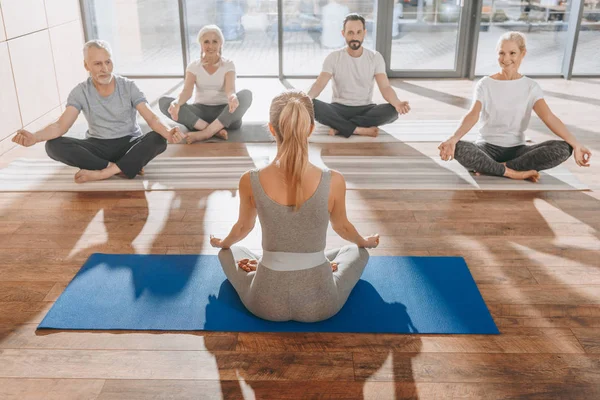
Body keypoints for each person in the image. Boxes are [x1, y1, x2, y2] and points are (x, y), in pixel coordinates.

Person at [210, 90, 380, 322]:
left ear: (271, 128)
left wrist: (223, 243)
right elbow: (343, 228)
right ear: (310, 128)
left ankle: (264, 261)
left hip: (264, 303)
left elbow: (242, 228)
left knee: (229, 252)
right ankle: (321, 262)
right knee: (355, 251)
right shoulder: (334, 180)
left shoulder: (249, 179)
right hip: (321, 304)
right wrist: (365, 242)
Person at [11, 40, 185, 183]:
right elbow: (60, 126)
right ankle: (121, 167)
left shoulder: (128, 86)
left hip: (129, 142)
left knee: (158, 138)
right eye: (98, 64)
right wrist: (35, 137)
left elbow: (152, 118)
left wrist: (169, 132)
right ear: (86, 65)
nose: (105, 69)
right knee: (53, 145)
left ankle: (104, 172)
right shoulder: (80, 91)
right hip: (98, 146)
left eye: (108, 62)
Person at [438, 32, 591, 181]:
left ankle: (497, 168)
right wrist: (453, 139)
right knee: (459, 148)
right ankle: (514, 173)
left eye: (512, 53)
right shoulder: (485, 84)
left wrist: (576, 144)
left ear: (523, 54)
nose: (506, 59)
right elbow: (473, 114)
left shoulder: (531, 87)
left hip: (518, 151)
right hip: (486, 148)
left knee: (563, 149)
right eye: (501, 53)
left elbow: (549, 117)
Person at [307, 13, 410, 138]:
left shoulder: (375, 57)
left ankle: (342, 127)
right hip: (339, 109)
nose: (354, 36)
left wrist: (397, 103)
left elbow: (385, 87)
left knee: (392, 111)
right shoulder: (333, 57)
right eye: (350, 32)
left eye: (358, 32)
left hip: (365, 109)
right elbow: (319, 84)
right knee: (311, 105)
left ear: (364, 33)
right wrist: (306, 99)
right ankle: (358, 129)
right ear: (343, 33)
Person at [159, 25, 252, 143]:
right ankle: (214, 130)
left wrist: (232, 97)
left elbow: (230, 89)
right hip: (200, 114)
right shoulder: (193, 66)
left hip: (225, 113)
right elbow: (187, 92)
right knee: (164, 102)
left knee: (246, 95)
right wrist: (176, 103)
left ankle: (205, 133)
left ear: (220, 44)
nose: (211, 46)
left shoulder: (228, 64)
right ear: (201, 44)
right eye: (206, 42)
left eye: (215, 41)